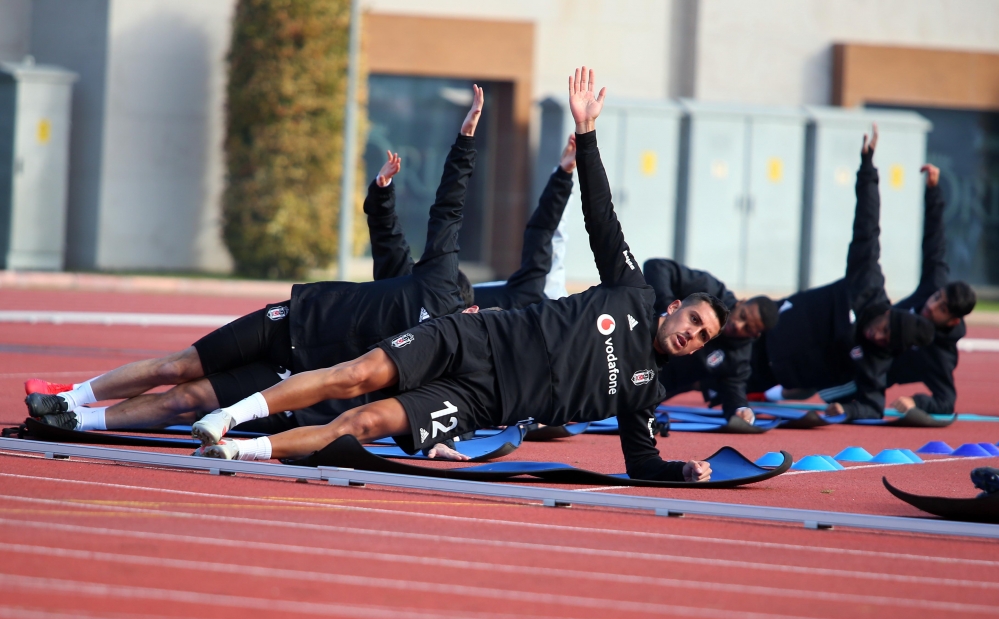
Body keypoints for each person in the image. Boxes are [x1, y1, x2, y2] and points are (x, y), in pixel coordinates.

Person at [189, 67, 728, 483]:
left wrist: (681, 470)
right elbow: (600, 215)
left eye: (703, 337)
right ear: (673, 307)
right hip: (474, 339)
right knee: (354, 376)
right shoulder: (631, 291)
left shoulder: (646, 391)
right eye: (694, 320)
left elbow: (641, 462)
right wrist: (585, 134)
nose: (693, 335)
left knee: (363, 424)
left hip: (482, 401)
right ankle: (227, 418)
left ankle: (239, 450)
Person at [25, 86, 487, 439]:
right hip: (290, 321)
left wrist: (441, 442)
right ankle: (70, 398)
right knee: (177, 367)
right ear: (468, 307)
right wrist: (463, 141)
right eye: (474, 318)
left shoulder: (434, 358)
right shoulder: (437, 280)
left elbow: (430, 407)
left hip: (296, 372)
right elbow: (445, 211)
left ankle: (79, 421)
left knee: (190, 399)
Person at [746, 123, 935, 421]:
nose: (877, 335)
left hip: (768, 373)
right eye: (884, 328)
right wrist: (868, 170)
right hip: (763, 328)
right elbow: (867, 228)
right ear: (888, 313)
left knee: (705, 384)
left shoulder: (876, 357)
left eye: (885, 340)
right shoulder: (867, 282)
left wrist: (848, 409)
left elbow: (873, 405)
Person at [887, 163, 976, 415]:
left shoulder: (940, 354)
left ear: (953, 321)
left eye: (942, 308)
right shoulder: (934, 284)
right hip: (861, 333)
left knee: (808, 381)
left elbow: (947, 401)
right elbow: (935, 241)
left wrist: (917, 402)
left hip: (862, 375)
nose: (931, 305)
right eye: (937, 298)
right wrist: (934, 191)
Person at [643, 258, 778, 425]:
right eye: (742, 316)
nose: (738, 325)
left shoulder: (738, 359)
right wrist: (666, 312)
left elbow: (734, 393)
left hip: (648, 387)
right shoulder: (709, 291)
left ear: (755, 335)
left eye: (747, 328)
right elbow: (656, 266)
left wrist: (741, 411)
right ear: (741, 302)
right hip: (629, 348)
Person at [471, 135, 577, 309]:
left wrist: (563, 175)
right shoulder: (543, 294)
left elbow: (546, 231)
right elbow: (548, 231)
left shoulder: (535, 294)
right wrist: (563, 175)